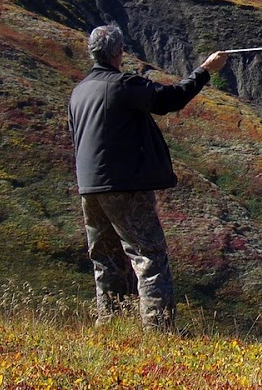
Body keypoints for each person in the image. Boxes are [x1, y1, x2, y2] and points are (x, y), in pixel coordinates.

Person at [68, 24, 228, 332]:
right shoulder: (122, 85)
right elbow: (169, 100)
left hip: (89, 187)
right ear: (119, 53)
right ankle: (160, 330)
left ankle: (111, 326)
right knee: (149, 255)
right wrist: (206, 70)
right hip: (123, 185)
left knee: (106, 258)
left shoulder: (79, 91)